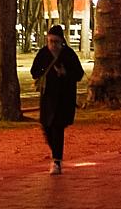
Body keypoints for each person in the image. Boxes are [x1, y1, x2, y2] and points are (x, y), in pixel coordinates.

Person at [30, 24, 84, 174]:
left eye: (55, 42)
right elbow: (34, 71)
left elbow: (79, 74)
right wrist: (43, 73)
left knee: (57, 127)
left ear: (61, 42)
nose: (52, 45)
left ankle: (56, 160)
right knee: (46, 127)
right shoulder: (43, 53)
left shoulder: (68, 54)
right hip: (47, 97)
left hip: (64, 98)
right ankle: (56, 153)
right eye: (50, 41)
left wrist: (65, 73)